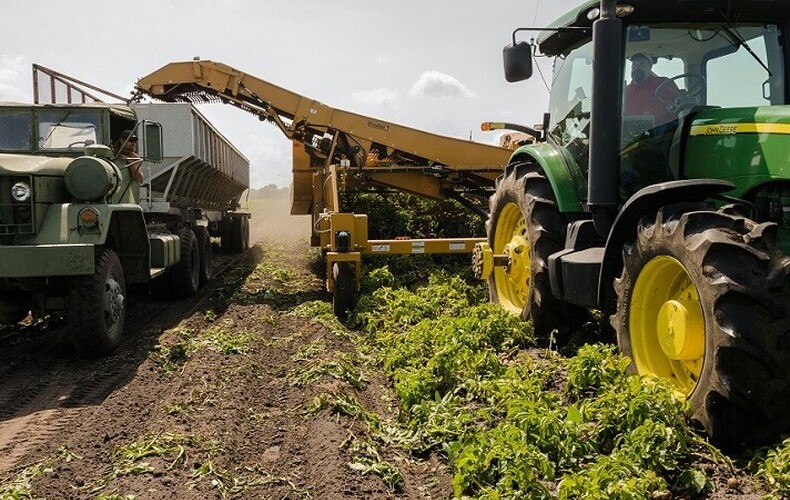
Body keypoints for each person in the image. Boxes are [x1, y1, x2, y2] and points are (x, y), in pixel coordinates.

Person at [624, 53, 680, 125]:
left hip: (663, 131)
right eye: (634, 65)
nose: (637, 67)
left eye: (642, 64)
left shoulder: (664, 83)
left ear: (650, 66)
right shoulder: (625, 91)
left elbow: (678, 105)